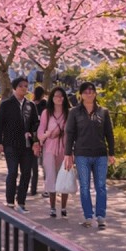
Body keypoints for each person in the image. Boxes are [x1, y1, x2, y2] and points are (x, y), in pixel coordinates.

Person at [63, 82, 116, 228]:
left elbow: (109, 134)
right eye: (86, 92)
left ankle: (100, 216)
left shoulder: (103, 112)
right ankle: (88, 216)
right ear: (81, 94)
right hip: (82, 154)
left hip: (100, 154)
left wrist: (111, 152)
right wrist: (68, 154)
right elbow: (70, 133)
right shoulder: (74, 112)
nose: (89, 94)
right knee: (84, 186)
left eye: (92, 91)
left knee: (101, 186)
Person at [0, 76, 34, 212]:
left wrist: (33, 136)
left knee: (26, 173)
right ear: (15, 88)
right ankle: (10, 200)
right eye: (21, 86)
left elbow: (35, 124)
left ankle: (21, 201)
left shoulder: (30, 105)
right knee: (12, 172)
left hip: (26, 145)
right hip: (10, 144)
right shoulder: (6, 104)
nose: (24, 88)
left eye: (26, 86)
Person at [38, 87, 73, 217]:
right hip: (50, 147)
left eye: (61, 96)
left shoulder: (69, 113)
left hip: (65, 148)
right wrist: (45, 135)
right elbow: (41, 130)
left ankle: (63, 207)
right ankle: (52, 207)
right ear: (52, 98)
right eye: (56, 96)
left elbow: (73, 132)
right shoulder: (46, 113)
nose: (59, 98)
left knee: (65, 175)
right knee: (51, 176)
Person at [27, 85, 47, 198]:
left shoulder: (30, 104)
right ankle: (47, 188)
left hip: (33, 136)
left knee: (33, 164)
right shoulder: (47, 104)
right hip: (45, 136)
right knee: (45, 164)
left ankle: (33, 188)